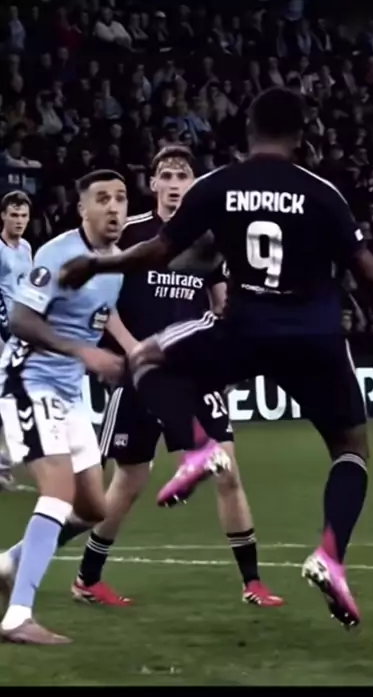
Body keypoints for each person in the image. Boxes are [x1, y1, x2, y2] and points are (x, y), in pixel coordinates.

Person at [59, 88, 373, 629]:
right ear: (301, 136)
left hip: (244, 327)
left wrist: (97, 265)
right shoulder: (321, 192)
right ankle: (331, 555)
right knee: (350, 449)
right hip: (315, 337)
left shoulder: (218, 184)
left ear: (248, 131)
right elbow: (366, 265)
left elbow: (159, 251)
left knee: (147, 357)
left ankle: (197, 448)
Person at [56, 145, 284, 608]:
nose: (175, 182)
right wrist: (133, 350)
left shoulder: (207, 237)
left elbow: (222, 302)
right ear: (154, 183)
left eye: (183, 175)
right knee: (128, 481)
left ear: (193, 184)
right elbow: (103, 302)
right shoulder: (132, 233)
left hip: (195, 373)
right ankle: (73, 571)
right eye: (167, 175)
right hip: (139, 376)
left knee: (227, 470)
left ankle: (253, 582)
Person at [0, 170, 127, 644]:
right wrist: (81, 351)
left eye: (120, 198)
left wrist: (130, 349)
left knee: (93, 507)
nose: (113, 207)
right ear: (82, 209)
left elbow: (101, 313)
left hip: (70, 394)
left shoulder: (115, 261)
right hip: (29, 383)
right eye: (102, 198)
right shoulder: (58, 254)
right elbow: (21, 319)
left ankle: (9, 563)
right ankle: (17, 617)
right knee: (56, 494)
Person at [0, 191, 33, 490]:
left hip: (19, 332)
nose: (19, 221)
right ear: (3, 216)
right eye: (14, 215)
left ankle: (4, 466)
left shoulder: (26, 247)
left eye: (23, 215)